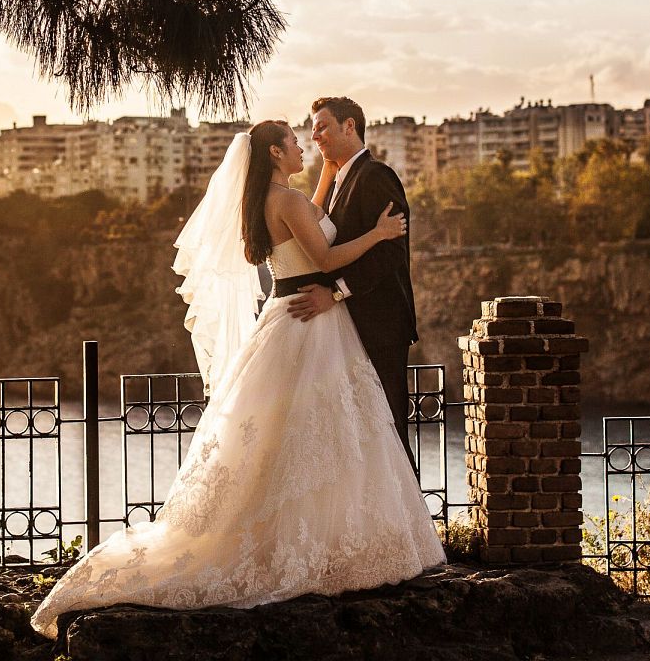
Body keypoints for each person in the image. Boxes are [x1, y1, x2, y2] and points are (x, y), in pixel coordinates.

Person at [29, 120, 443, 638]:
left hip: (284, 313)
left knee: (285, 439)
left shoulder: (269, 201)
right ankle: (324, 545)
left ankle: (296, 540)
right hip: (310, 320)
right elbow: (326, 256)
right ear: (275, 152)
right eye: (294, 141)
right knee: (323, 435)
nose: (302, 147)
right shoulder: (288, 203)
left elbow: (306, 219)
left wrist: (326, 176)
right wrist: (380, 234)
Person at [286, 96, 418, 455]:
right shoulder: (340, 181)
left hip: (380, 325)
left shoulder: (376, 176)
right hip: (349, 328)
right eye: (312, 130)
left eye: (322, 127)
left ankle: (407, 513)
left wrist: (336, 293)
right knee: (363, 442)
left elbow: (389, 254)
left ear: (350, 126)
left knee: (389, 436)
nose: (315, 137)